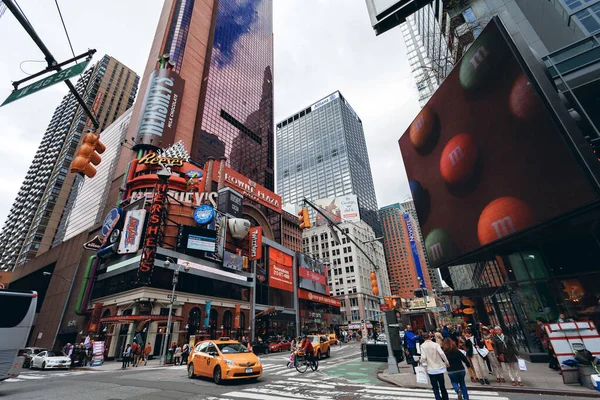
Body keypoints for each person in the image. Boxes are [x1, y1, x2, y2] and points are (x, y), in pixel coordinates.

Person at [420, 332, 450, 400]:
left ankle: (438, 398)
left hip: (431, 369)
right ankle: (445, 398)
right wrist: (446, 362)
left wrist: (421, 362)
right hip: (439, 367)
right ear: (430, 336)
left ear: (423, 338)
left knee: (435, 387)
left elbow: (423, 357)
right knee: (442, 386)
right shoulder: (435, 344)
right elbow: (442, 353)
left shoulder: (422, 346)